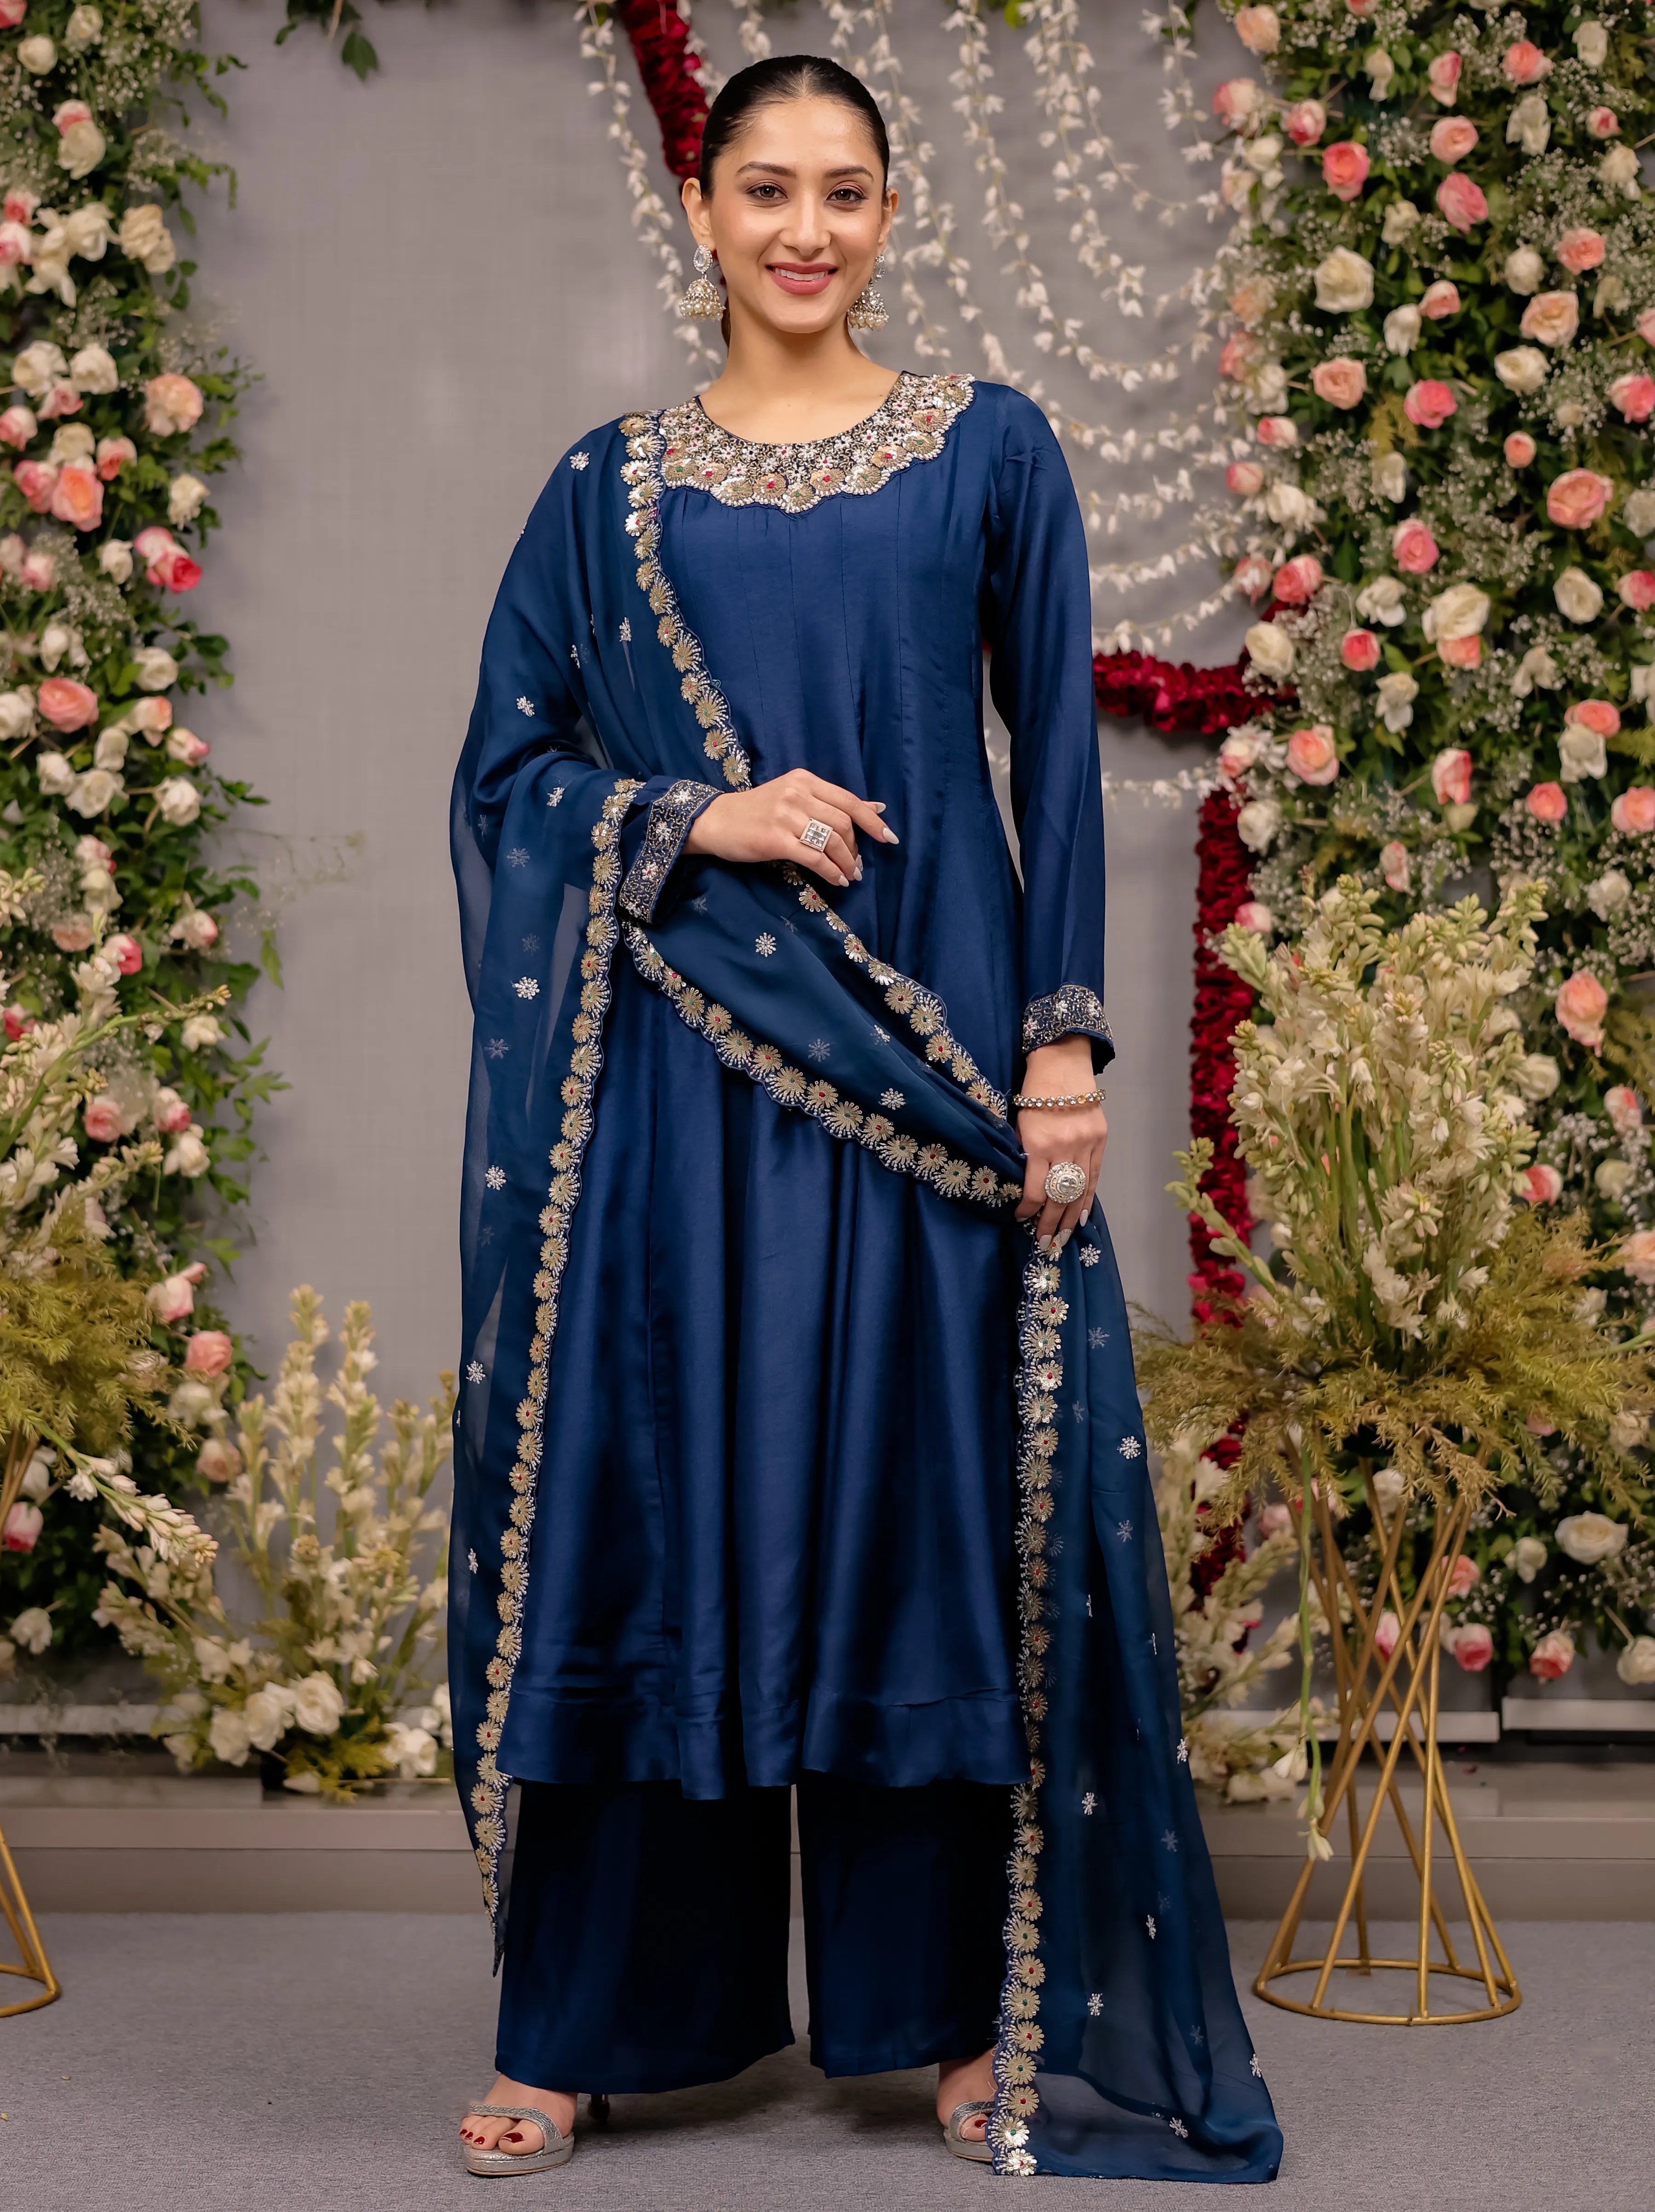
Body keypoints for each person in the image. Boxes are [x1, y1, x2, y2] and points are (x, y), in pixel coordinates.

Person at [448, 54, 1281, 2183]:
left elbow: (1050, 771)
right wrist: (695, 815)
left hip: (933, 1082)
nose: (802, 230)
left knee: (924, 1531)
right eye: (763, 192)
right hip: (686, 1099)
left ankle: (953, 2019)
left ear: (886, 213)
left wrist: (1061, 1048)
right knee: (681, 1511)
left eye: (840, 192)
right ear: (702, 215)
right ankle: (595, 2022)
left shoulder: (989, 455)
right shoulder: (606, 491)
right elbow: (505, 779)